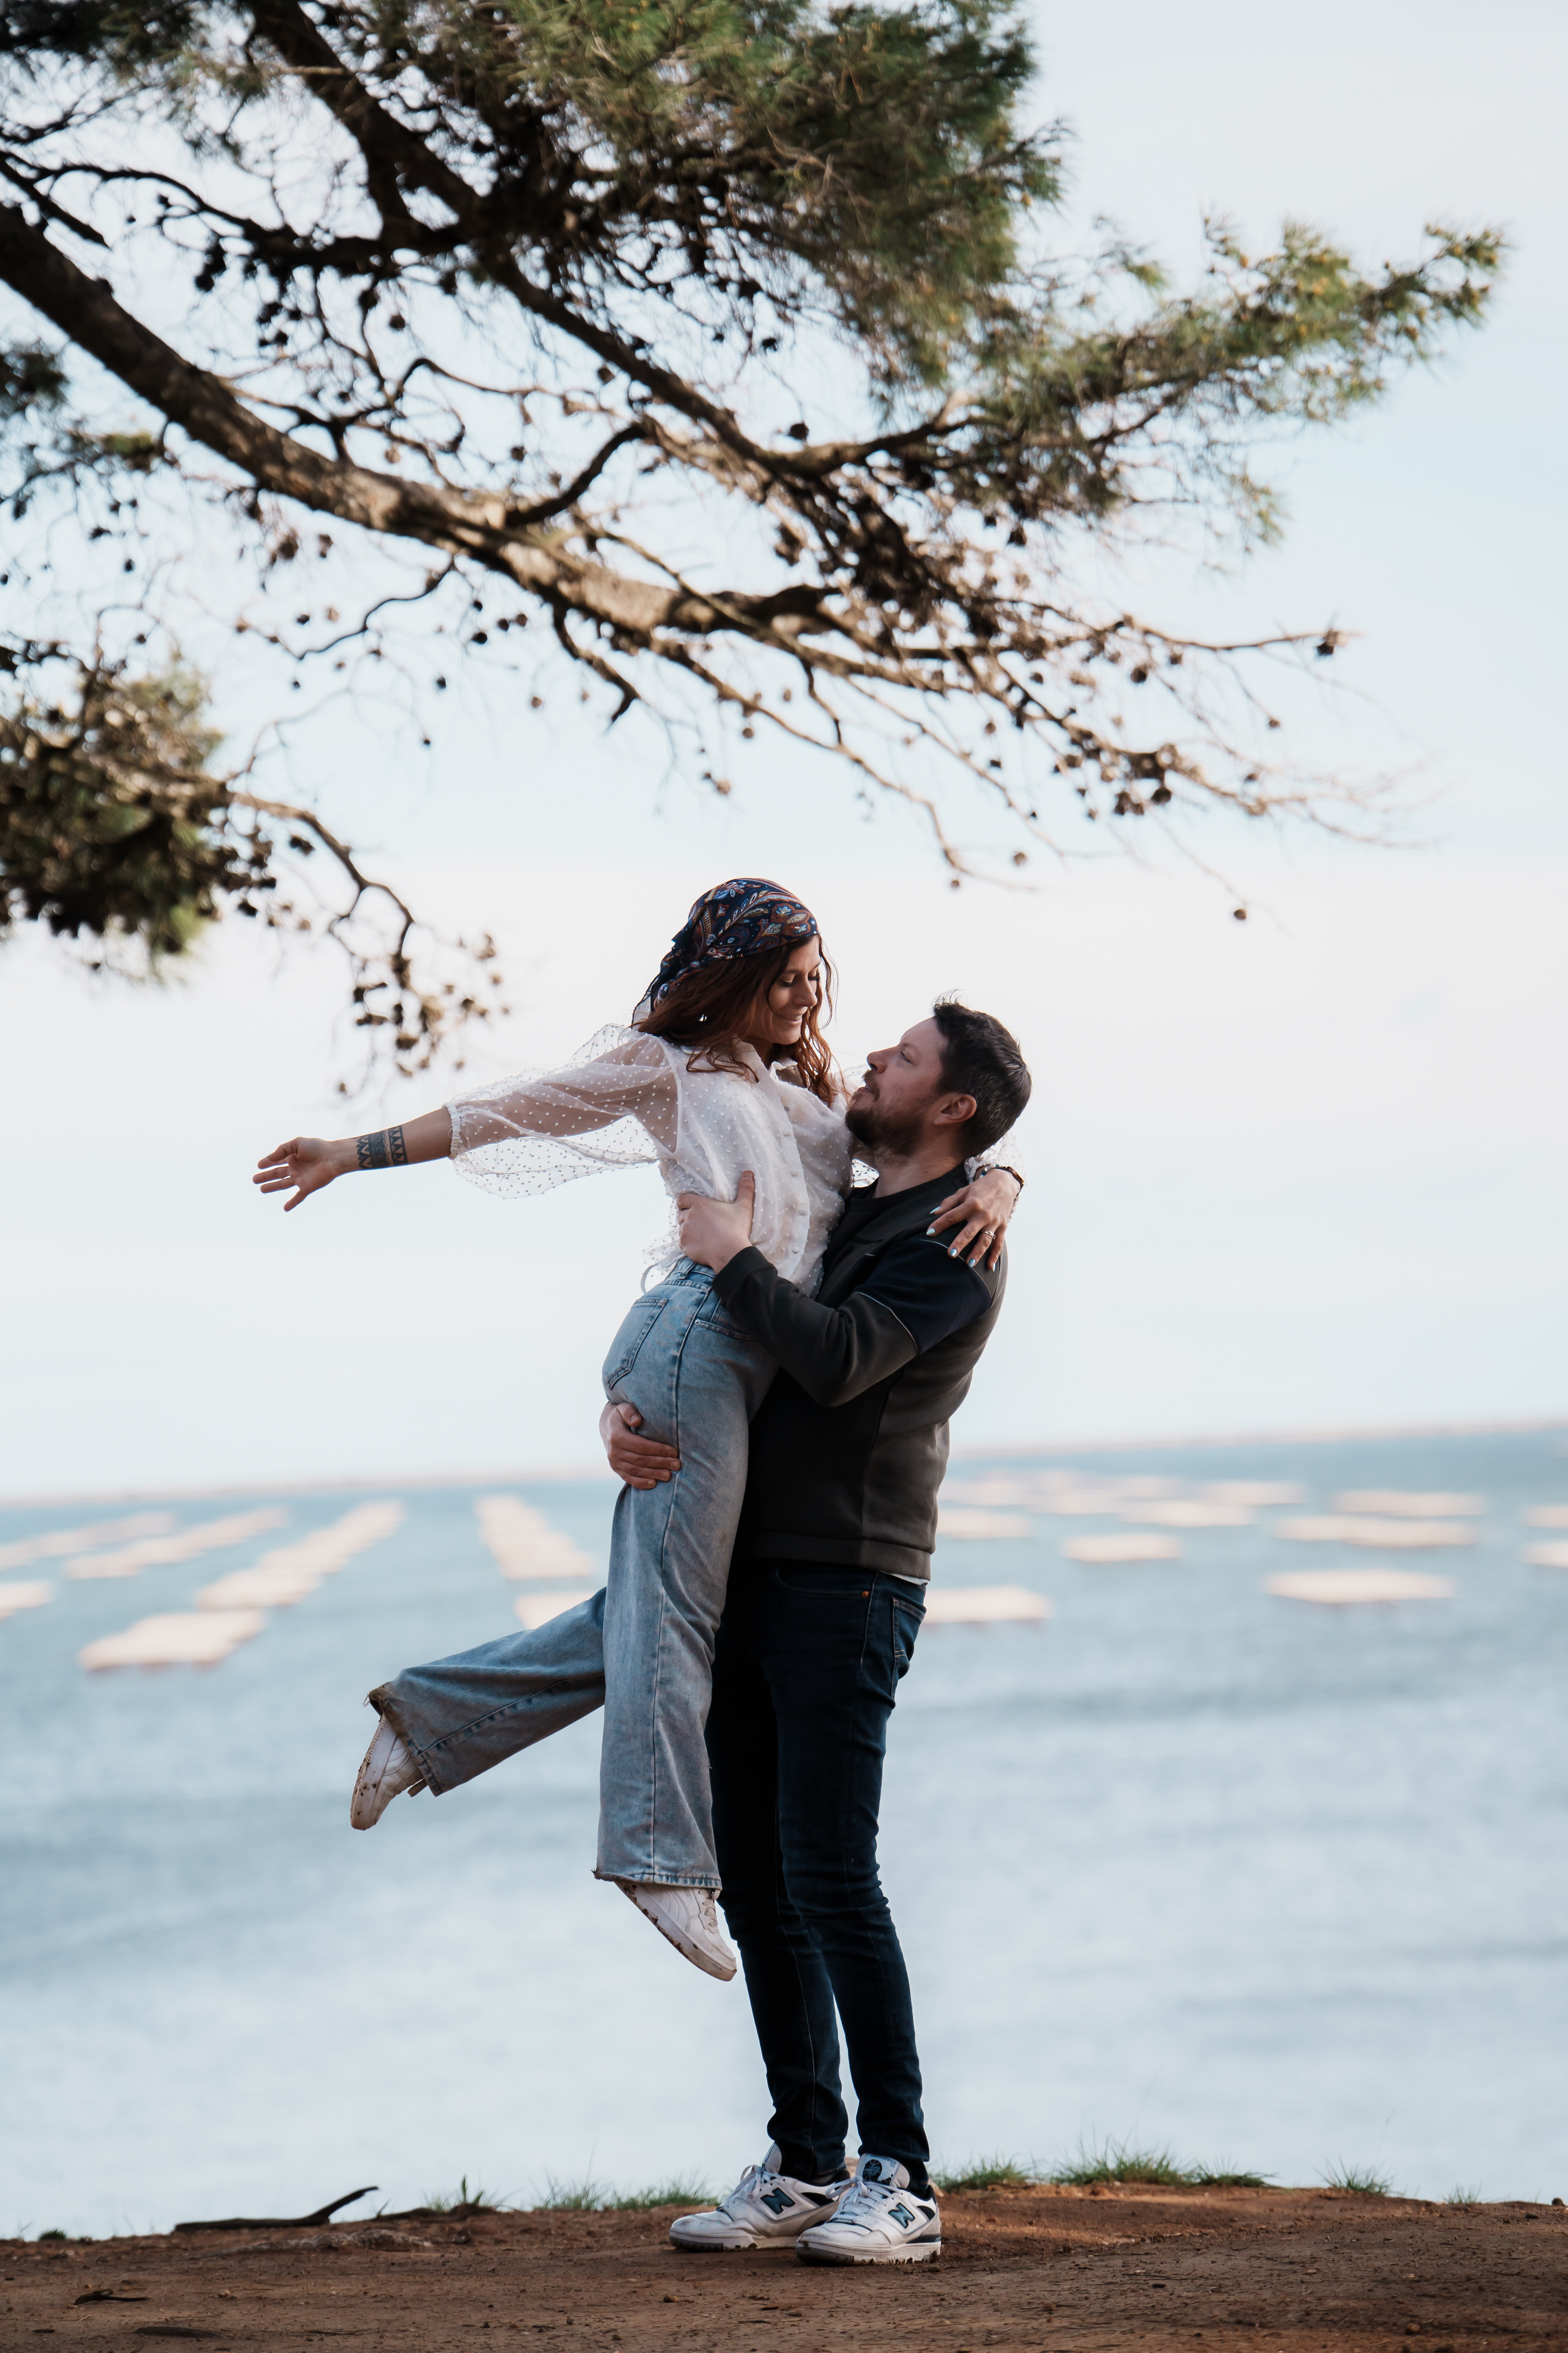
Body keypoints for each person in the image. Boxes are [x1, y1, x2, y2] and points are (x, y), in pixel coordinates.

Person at [253, 879, 1022, 1982]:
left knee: (658, 1603)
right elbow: (507, 1111)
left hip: (745, 1365)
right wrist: (352, 1151)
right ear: (736, 973)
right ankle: (659, 1855)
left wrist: (1006, 1174)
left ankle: (429, 1719)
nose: (812, 997)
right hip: (701, 1338)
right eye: (791, 976)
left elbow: (936, 1151)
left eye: (820, 979)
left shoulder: (812, 1097)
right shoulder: (667, 1068)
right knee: (674, 1613)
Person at [607, 998, 1031, 2266]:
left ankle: (902, 2177)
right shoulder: (865, 1206)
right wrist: (630, 1420)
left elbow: (840, 1360)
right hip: (750, 1567)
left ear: (951, 1106)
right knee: (765, 1877)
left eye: (902, 1059)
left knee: (835, 1876)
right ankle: (804, 2158)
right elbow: (746, 1362)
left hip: (850, 1581)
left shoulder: (956, 1235)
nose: (872, 1062)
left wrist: (732, 1253)